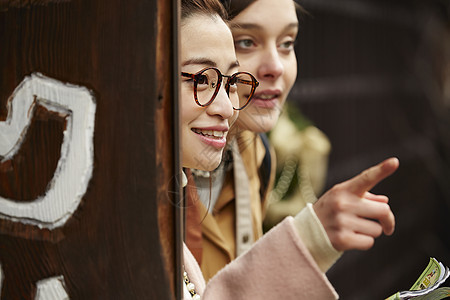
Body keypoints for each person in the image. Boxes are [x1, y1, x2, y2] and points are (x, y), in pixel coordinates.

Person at [179, 0, 399, 299]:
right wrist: (309, 239)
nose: (276, 67)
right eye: (246, 42)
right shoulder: (160, 173)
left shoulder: (255, 154)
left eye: (287, 43)